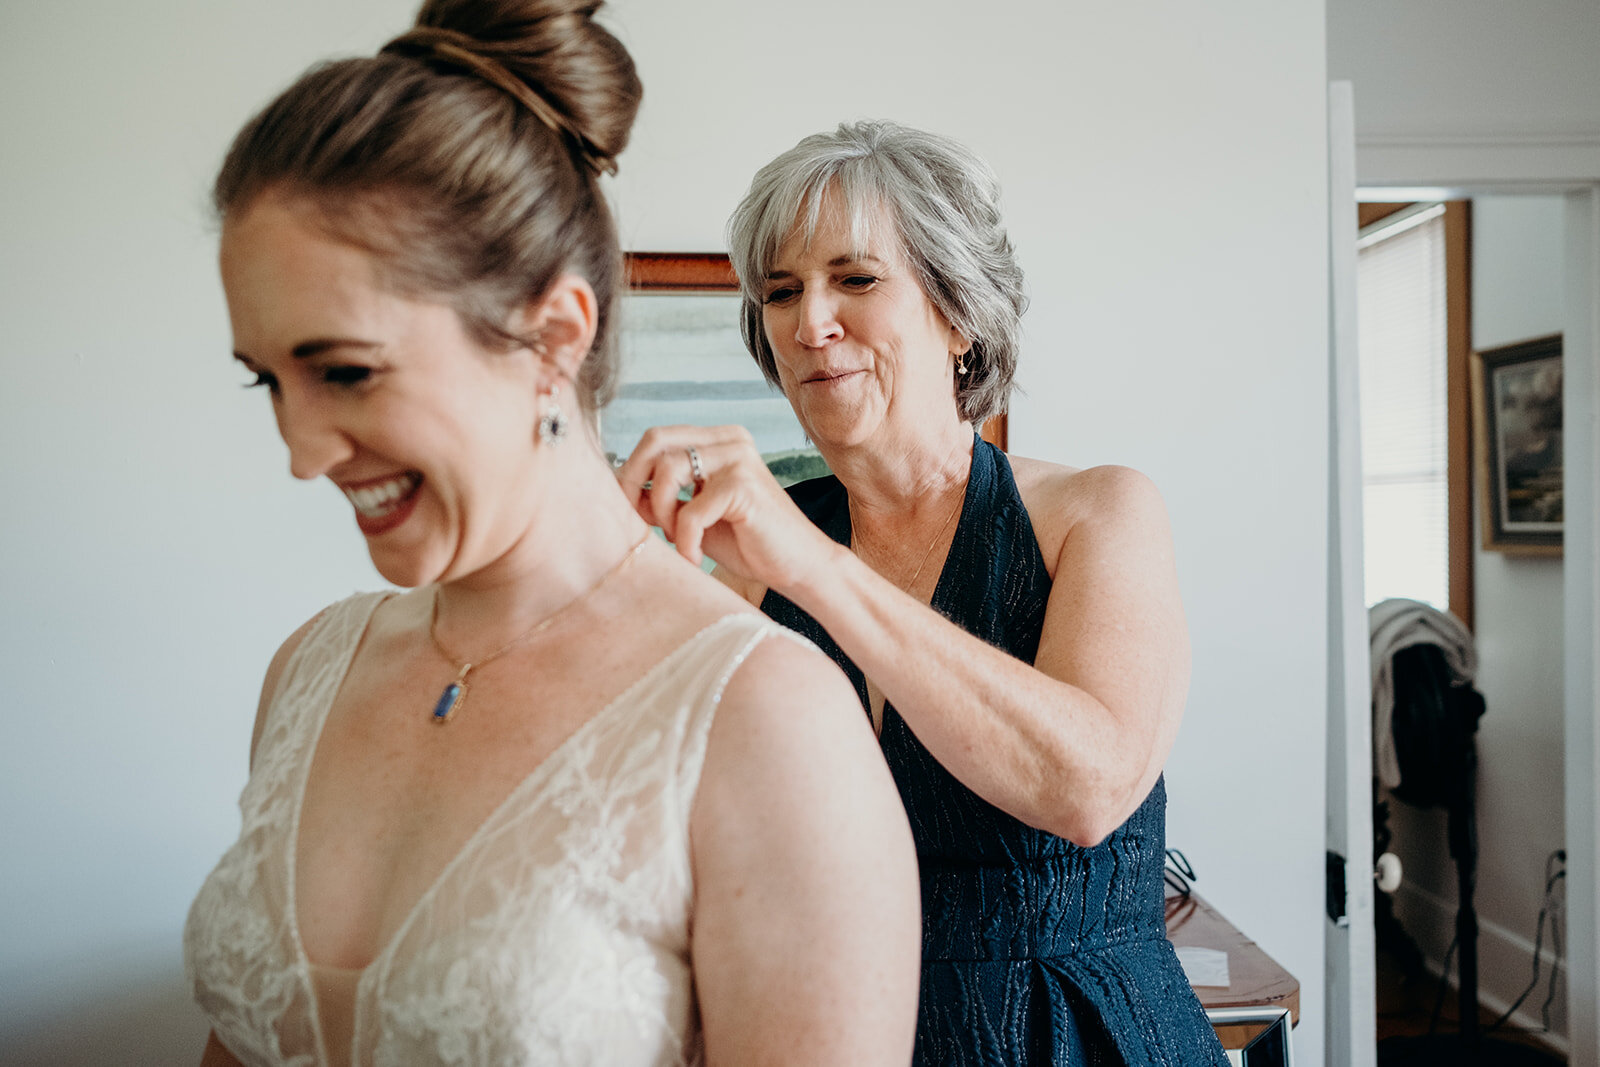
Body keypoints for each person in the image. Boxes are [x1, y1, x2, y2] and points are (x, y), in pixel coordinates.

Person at [182, 8, 920, 1065]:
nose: (302, 451)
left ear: (553, 333)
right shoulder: (307, 672)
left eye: (344, 370)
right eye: (270, 382)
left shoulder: (764, 720)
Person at [619, 121, 1229, 1064]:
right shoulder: (745, 556)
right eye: (780, 293)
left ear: (959, 313)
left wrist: (819, 571)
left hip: (1067, 1038)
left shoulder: (1097, 513)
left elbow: (1087, 786)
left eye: (855, 279)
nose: (808, 320)